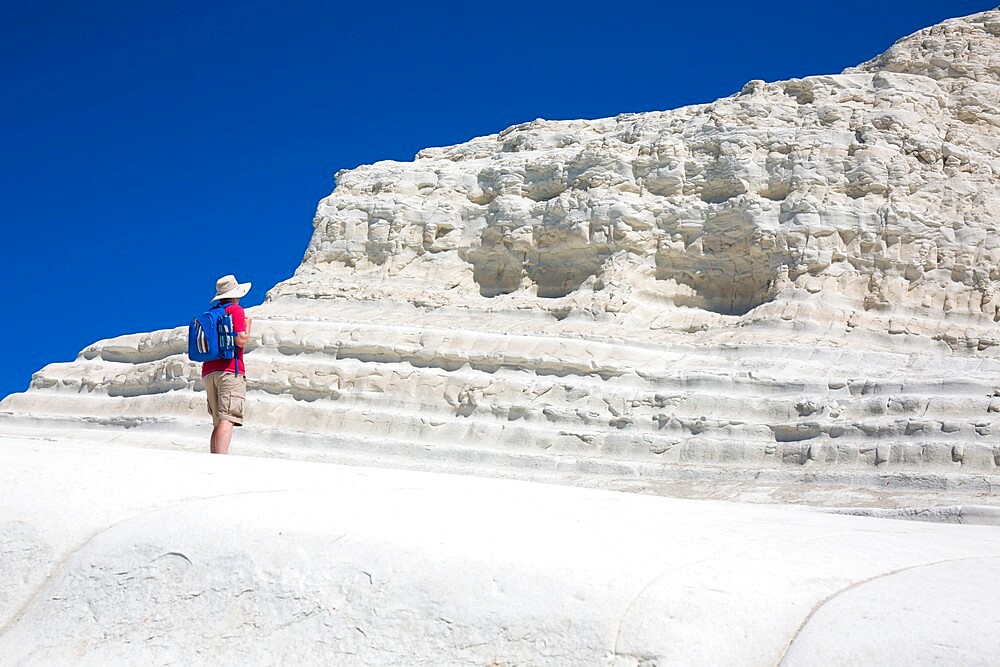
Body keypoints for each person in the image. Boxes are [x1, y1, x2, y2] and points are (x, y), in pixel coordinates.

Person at [203, 274, 252, 454]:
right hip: (229, 370)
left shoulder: (212, 313)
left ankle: (214, 458)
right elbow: (240, 340)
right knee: (227, 418)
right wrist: (247, 327)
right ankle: (221, 460)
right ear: (236, 294)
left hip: (208, 371)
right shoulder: (235, 310)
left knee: (217, 421)